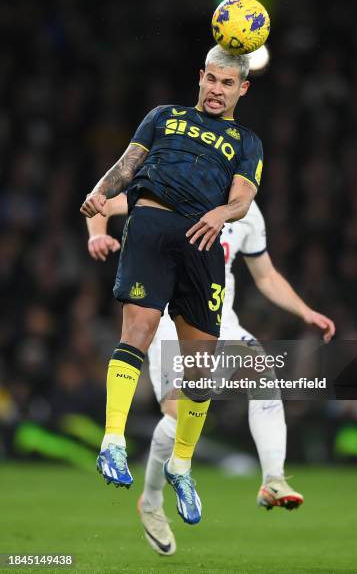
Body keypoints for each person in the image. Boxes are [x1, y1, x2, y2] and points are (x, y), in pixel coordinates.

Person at [87, 194, 335, 555]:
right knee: (176, 417)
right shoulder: (173, 187)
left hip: (223, 323)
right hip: (173, 322)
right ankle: (152, 501)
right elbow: (102, 203)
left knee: (263, 373)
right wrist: (97, 234)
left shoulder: (247, 211)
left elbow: (265, 275)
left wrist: (305, 311)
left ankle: (273, 479)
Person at [80, 45, 263, 525]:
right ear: (200, 77)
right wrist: (100, 195)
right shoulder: (164, 116)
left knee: (199, 372)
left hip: (203, 240)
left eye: (228, 84)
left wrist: (221, 212)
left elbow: (242, 199)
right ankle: (113, 443)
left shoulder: (247, 142)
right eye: (212, 80)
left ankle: (182, 466)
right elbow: (127, 165)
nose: (217, 90)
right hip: (151, 227)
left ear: (242, 88)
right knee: (136, 332)